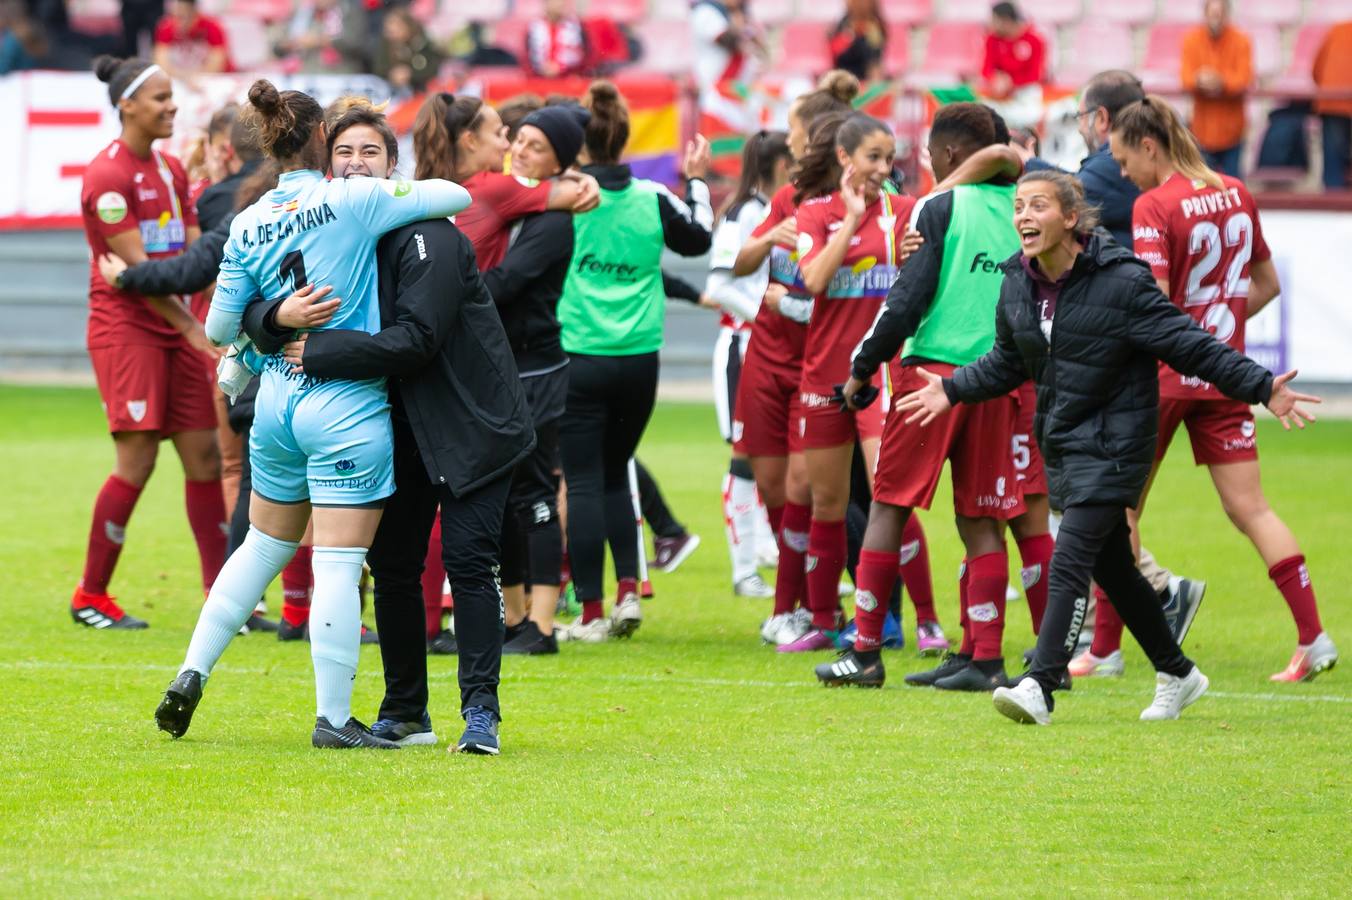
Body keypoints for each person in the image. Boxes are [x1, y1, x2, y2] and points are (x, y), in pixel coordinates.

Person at [897, 169, 1319, 724]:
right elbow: (1007, 360)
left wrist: (1262, 387)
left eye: (1038, 206)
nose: (1023, 216)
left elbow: (1189, 344)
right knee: (1115, 569)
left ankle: (1040, 684)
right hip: (1065, 443)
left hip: (1118, 445)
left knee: (1070, 557)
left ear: (1070, 219)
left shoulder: (1123, 281)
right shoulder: (1016, 282)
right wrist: (952, 389)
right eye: (1019, 206)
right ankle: (1179, 672)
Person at [152, 78, 472, 750]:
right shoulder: (352, 198)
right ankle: (333, 718)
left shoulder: (247, 220)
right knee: (337, 561)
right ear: (324, 142)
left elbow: (216, 327)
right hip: (345, 404)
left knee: (261, 547)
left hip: (272, 402)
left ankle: (190, 671)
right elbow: (456, 197)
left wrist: (273, 314)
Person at [245, 99, 534, 753]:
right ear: (324, 162)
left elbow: (420, 340)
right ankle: (406, 711)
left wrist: (318, 351)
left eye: (369, 152)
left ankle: (480, 715)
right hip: (397, 424)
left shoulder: (429, 232)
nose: (354, 163)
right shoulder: (328, 233)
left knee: (467, 564)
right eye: (342, 152)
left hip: (472, 424)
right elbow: (255, 293)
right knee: (395, 566)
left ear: (392, 165)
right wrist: (272, 324)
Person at [1108, 96, 1338, 682]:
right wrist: (1220, 334)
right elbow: (1266, 284)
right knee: (1253, 509)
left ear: (1149, 146)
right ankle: (1313, 637)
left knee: (1119, 509)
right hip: (1223, 372)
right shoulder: (1235, 190)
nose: (1121, 171)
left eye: (1123, 158)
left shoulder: (1153, 205)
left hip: (1162, 376)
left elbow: (1152, 304)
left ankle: (1105, 649)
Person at [819, 103, 1024, 689]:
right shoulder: (1023, 206)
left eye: (933, 154)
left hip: (931, 373)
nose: (929, 164)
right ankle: (984, 656)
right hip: (995, 375)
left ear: (953, 155)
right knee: (982, 516)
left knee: (889, 506)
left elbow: (905, 301)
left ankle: (863, 652)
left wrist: (860, 370)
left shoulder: (941, 205)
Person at [554, 81, 714, 642]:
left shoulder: (567, 195)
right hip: (640, 359)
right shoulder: (652, 196)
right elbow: (698, 241)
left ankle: (593, 613)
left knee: (584, 480)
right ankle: (628, 595)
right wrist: (696, 180)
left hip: (579, 355)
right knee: (618, 472)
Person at [71, 55, 222, 631]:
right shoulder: (106, 177)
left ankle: (221, 598)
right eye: (160, 98)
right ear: (127, 105)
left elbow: (187, 261)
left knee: (204, 456)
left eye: (172, 96)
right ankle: (91, 594)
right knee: (137, 460)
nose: (172, 106)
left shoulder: (170, 170)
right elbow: (137, 274)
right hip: (127, 329)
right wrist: (191, 327)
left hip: (176, 325)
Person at [773, 111, 920, 655]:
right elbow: (811, 281)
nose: (883, 168)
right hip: (825, 375)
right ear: (844, 159)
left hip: (881, 375)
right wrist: (854, 222)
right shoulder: (815, 214)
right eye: (873, 158)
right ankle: (822, 620)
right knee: (827, 504)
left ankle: (913, 621)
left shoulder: (906, 214)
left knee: (888, 495)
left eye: (889, 158)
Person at [480, 103, 594, 656]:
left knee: (535, 491)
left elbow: (505, 283)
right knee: (503, 497)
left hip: (536, 369)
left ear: (561, 165)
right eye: (519, 140)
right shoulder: (512, 201)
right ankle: (515, 616)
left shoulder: (552, 219)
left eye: (537, 147)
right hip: (504, 366)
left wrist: (447, 289)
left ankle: (543, 626)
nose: (521, 150)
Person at [704, 130, 793, 599]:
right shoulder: (744, 215)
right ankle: (744, 571)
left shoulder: (771, 212)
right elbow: (719, 285)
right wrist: (766, 315)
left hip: (771, 347)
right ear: (779, 165)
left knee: (772, 457)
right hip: (743, 347)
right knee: (744, 456)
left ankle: (771, 554)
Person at [1180, 0, 1252, 178]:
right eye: (1212, 14)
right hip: (1201, 131)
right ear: (1205, 14)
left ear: (1227, 15)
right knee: (1203, 191)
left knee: (1233, 189)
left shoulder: (1241, 40)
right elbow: (1186, 78)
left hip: (1232, 131)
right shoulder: (1191, 40)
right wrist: (1200, 80)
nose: (1216, 19)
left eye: (1219, 14)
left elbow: (1244, 79)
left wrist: (1220, 82)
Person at [692, 0, 765, 132]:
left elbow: (759, 43)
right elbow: (730, 40)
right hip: (716, 93)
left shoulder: (740, 13)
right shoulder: (706, 11)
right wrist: (743, 27)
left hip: (739, 91)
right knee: (720, 143)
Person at [981, 2, 1045, 129]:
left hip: (1024, 93)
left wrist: (1011, 82)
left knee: (1033, 112)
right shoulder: (992, 40)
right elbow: (986, 69)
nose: (991, 24)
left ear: (1006, 21)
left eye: (995, 20)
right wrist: (995, 78)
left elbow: (1036, 74)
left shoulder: (1034, 40)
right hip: (999, 94)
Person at [273, 0, 367, 75]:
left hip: (340, 76)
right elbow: (277, 47)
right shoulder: (301, 12)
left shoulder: (348, 10)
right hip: (305, 76)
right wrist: (289, 44)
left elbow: (356, 44)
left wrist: (320, 41)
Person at [1313, 20, 1352, 190]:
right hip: (1334, 101)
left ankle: (1331, 203)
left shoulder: (1336, 29)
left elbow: (1316, 70)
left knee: (1333, 162)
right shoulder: (1336, 30)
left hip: (1330, 101)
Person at [373, 8, 443, 97]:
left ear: (408, 27)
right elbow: (379, 69)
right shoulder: (386, 43)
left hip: (423, 90)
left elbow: (432, 68)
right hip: (395, 93)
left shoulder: (420, 42)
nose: (393, 32)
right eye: (389, 30)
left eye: (398, 27)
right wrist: (392, 74)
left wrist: (411, 74)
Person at [152, 0, 230, 79]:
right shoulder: (167, 26)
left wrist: (196, 77)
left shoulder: (212, 26)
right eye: (175, 16)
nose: (178, 23)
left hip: (213, 78)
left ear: (195, 13)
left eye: (183, 17)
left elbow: (216, 64)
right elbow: (161, 64)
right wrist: (186, 77)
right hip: (183, 78)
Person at [526, 0, 588, 79]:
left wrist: (562, 68)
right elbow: (528, 58)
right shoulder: (534, 28)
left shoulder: (577, 28)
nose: (559, 5)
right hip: (540, 79)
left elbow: (585, 57)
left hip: (569, 80)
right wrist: (543, 68)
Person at [828, 0, 886, 83]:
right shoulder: (844, 22)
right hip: (844, 74)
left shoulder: (875, 25)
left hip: (866, 76)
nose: (860, 4)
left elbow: (875, 58)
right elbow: (836, 53)